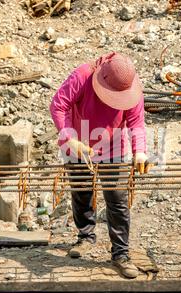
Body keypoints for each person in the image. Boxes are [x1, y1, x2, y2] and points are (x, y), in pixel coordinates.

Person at [49, 52, 149, 278]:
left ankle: (121, 254)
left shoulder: (131, 87)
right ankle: (85, 237)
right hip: (78, 142)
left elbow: (136, 122)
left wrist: (140, 152)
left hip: (113, 146)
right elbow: (58, 105)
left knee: (117, 197)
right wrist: (69, 137)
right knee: (81, 190)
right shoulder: (83, 75)